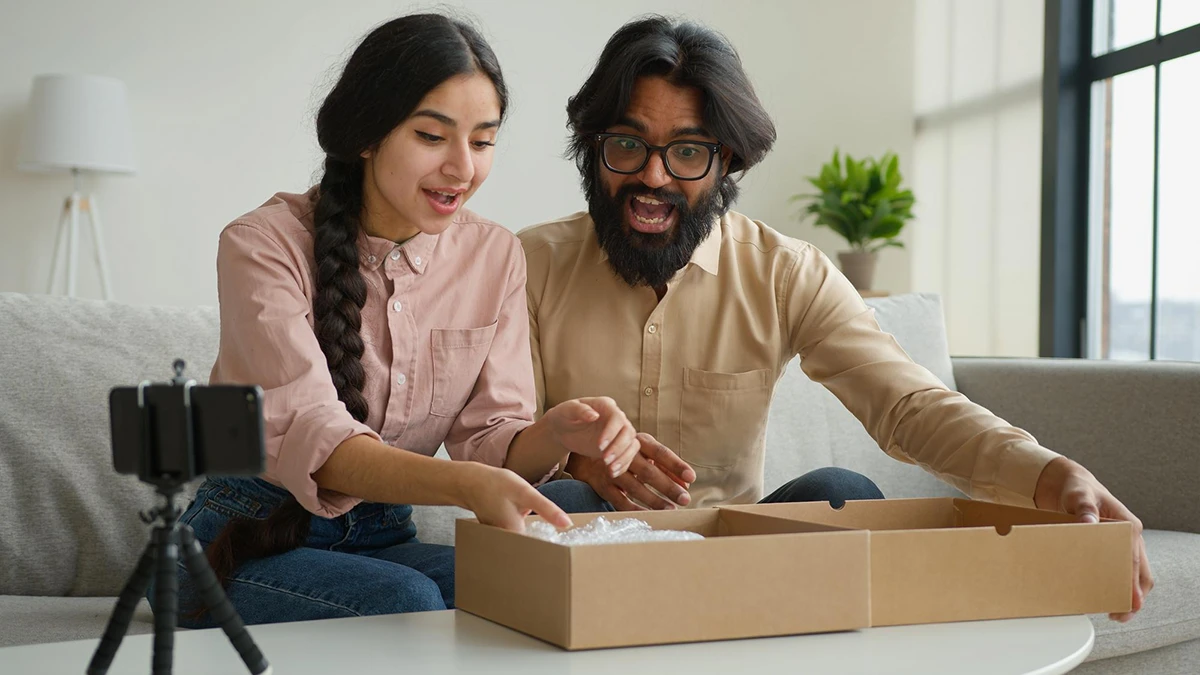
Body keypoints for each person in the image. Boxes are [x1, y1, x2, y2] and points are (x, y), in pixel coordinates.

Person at [519, 15, 1152, 622]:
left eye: (687, 151)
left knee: (841, 490)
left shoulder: (784, 272)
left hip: (738, 562)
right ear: (592, 149)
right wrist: (573, 461)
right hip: (582, 555)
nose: (653, 176)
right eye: (627, 145)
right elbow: (495, 438)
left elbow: (909, 407)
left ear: (727, 161)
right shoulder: (527, 265)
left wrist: (1047, 474)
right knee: (559, 500)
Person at [160, 13, 643, 628]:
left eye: (483, 141)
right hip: (239, 539)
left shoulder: (494, 255)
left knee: (546, 569)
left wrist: (558, 433)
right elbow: (321, 444)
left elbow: (491, 440)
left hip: (383, 536)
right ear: (367, 134)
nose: (462, 169)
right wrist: (463, 485)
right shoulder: (263, 245)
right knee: (407, 603)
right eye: (432, 136)